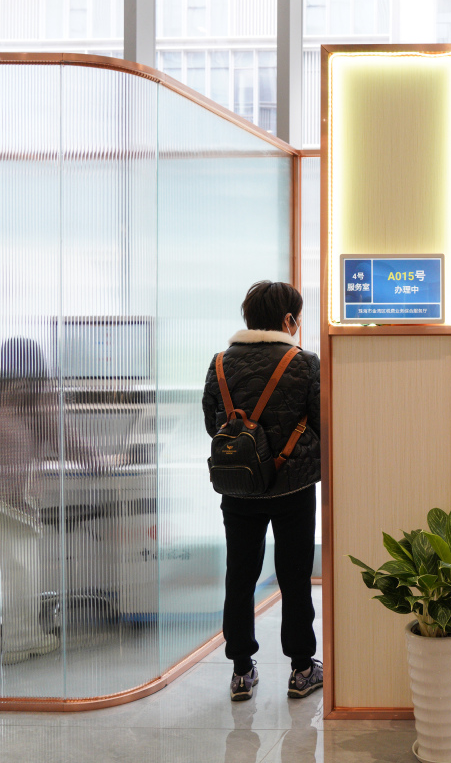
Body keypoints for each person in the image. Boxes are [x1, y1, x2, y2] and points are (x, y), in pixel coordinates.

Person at [202, 281, 322, 702]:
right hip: (293, 488)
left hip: (239, 489)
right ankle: (302, 669)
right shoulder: (304, 363)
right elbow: (322, 423)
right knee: (295, 577)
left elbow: (213, 425)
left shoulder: (220, 363)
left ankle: (241, 671)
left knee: (240, 576)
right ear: (288, 320)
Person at [0, 339, 105, 664]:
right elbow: (63, 435)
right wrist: (99, 461)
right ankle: (22, 639)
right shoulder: (35, 388)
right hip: (6, 481)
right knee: (19, 560)